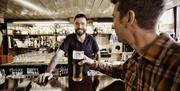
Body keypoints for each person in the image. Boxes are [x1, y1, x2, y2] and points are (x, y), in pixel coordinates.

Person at [81, 0, 180, 91]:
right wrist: (92, 63)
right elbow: (119, 71)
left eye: (114, 17)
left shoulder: (176, 67)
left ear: (129, 18)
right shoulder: (137, 56)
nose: (112, 25)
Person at [36, 14, 100, 90]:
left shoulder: (91, 39)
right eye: (77, 23)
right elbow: (58, 54)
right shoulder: (69, 38)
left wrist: (97, 69)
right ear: (74, 25)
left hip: (87, 76)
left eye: (82, 24)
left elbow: (98, 53)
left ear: (86, 25)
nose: (80, 26)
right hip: (72, 77)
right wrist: (48, 72)